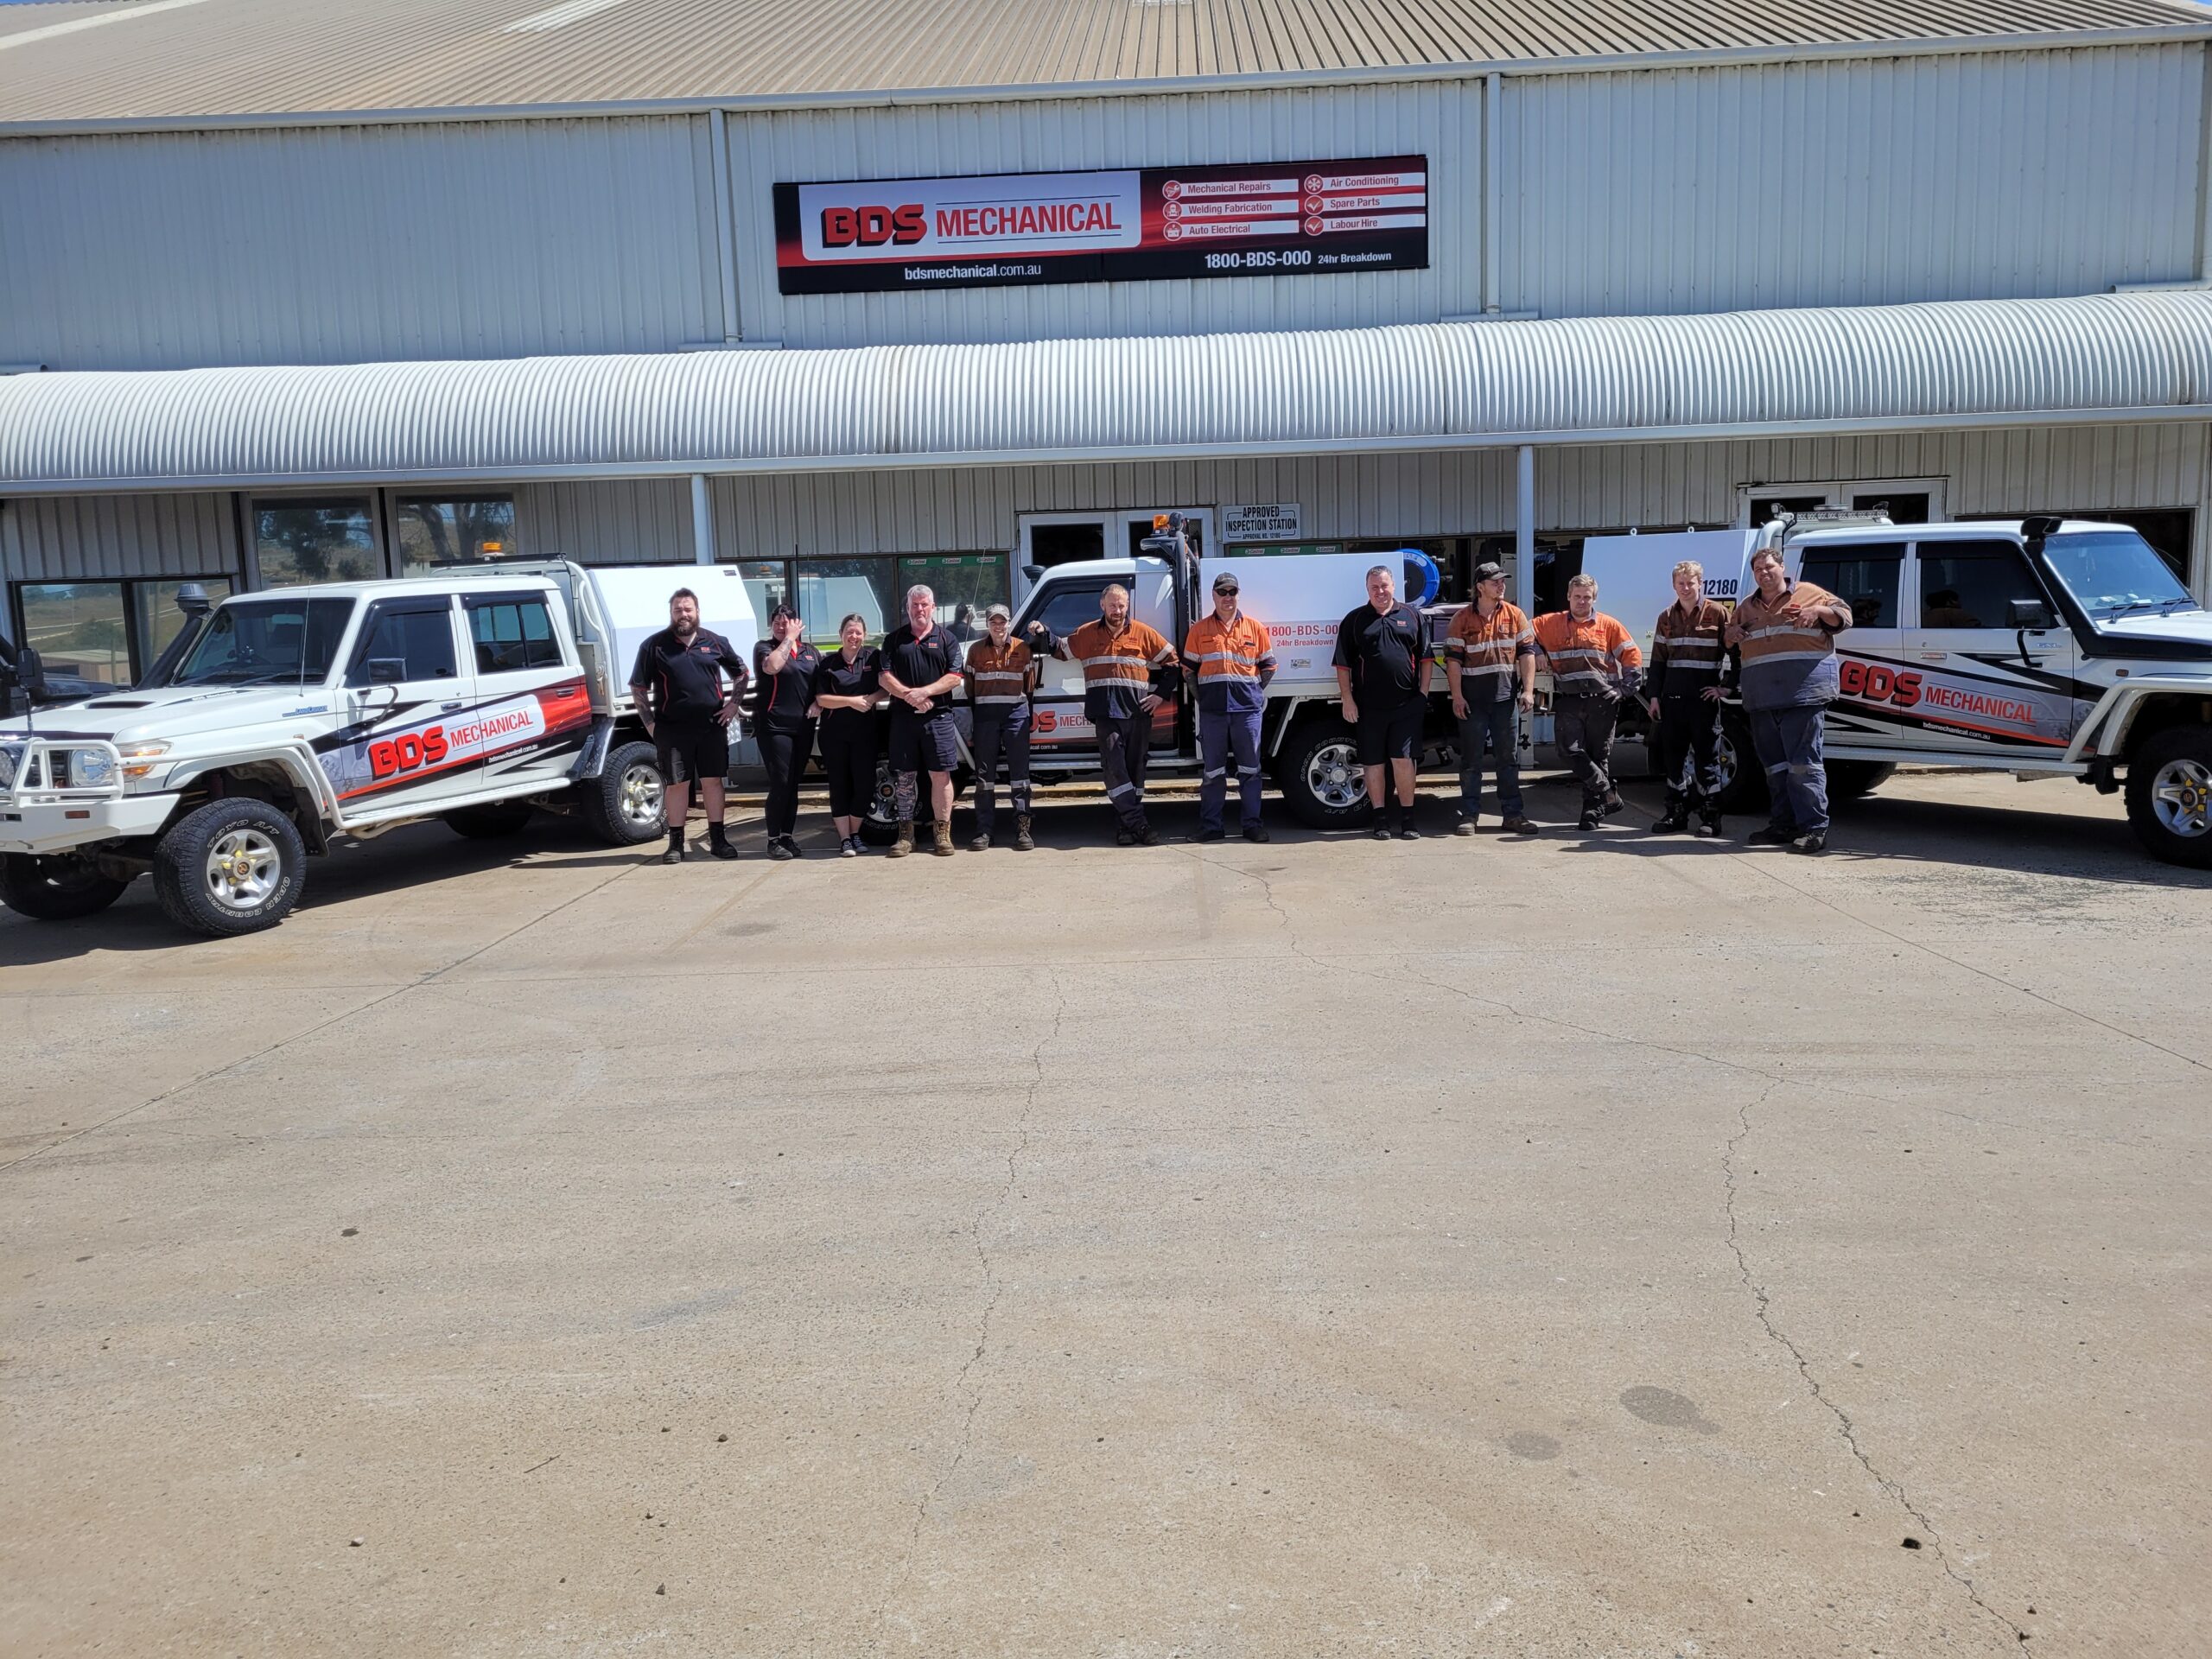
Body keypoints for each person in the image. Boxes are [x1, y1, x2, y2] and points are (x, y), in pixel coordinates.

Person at [1728, 546, 1853, 854]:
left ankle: (1814, 829)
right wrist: (1730, 633)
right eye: (1758, 569)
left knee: (1804, 765)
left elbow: (1846, 616)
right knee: (1775, 767)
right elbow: (1731, 639)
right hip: (1762, 699)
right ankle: (1782, 824)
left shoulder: (1811, 593)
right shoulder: (1746, 607)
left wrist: (1818, 612)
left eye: (1769, 567)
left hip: (1803, 695)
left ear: (1782, 567)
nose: (1764, 573)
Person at [1032, 583, 1179, 846]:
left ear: (1128, 605)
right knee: (1115, 770)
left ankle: (1125, 827)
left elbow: (1173, 663)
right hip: (1105, 713)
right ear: (1102, 605)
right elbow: (1060, 649)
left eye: (1122, 605)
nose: (1117, 610)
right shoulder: (1088, 633)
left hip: (1137, 713)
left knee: (1136, 773)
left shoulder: (1143, 633)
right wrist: (1043, 632)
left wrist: (1160, 695)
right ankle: (1140, 825)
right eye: (1112, 605)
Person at [627, 587, 747, 864]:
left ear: (697, 612)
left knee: (713, 782)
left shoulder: (716, 642)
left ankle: (718, 839)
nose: (683, 614)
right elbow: (638, 687)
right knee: (677, 785)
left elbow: (741, 673)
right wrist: (651, 726)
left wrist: (733, 705)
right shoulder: (654, 645)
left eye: (687, 609)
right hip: (672, 730)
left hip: (711, 727)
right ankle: (676, 844)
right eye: (678, 610)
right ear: (671, 613)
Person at [1532, 574, 1643, 831]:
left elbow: (1632, 654)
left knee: (1598, 755)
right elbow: (1522, 632)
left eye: (1587, 597)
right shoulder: (1550, 623)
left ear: (1594, 599)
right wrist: (1535, 651)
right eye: (1577, 596)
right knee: (1568, 750)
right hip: (1569, 699)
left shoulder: (1609, 625)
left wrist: (1625, 689)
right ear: (1568, 596)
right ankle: (1608, 793)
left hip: (1603, 700)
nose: (1582, 602)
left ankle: (1591, 812)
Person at [1333, 563, 1432, 840]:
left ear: (1394, 586)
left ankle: (1408, 820)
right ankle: (1380, 820)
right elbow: (1342, 665)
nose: (1380, 591)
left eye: (1384, 586)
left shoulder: (1413, 616)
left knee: (1403, 761)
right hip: (1368, 707)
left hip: (1406, 706)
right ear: (1367, 589)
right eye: (1374, 587)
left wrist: (1423, 694)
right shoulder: (1355, 620)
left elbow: (1426, 659)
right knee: (1373, 763)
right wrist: (1348, 700)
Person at [1446, 560, 1538, 836]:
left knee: (1507, 759)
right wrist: (1458, 697)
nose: (1501, 585)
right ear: (1480, 587)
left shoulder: (1515, 615)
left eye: (1502, 580)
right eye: (1495, 581)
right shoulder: (1461, 619)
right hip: (1473, 702)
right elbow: (1453, 661)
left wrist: (1529, 690)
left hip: (1505, 699)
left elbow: (1527, 654)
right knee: (1472, 761)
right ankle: (1470, 815)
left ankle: (1513, 814)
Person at [1183, 570, 1275, 842]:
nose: (1227, 597)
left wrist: (1253, 692)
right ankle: (1212, 827)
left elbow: (1269, 666)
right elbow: (1188, 670)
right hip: (1213, 713)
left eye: (1232, 592)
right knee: (1213, 772)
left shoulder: (1255, 628)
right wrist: (1204, 699)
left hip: (1247, 712)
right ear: (1213, 595)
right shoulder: (1199, 630)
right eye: (1222, 592)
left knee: (1250, 771)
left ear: (1238, 595)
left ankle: (1252, 826)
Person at [878, 583, 967, 857]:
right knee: (905, 778)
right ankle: (906, 836)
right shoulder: (894, 640)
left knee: (941, 776)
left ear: (933, 607)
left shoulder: (947, 639)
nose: (919, 609)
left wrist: (926, 692)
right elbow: (883, 676)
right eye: (914, 604)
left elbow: (955, 676)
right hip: (904, 719)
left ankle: (942, 833)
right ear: (907, 608)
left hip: (938, 717)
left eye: (924, 604)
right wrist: (910, 696)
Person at [1644, 560, 1731, 836]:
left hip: (1704, 700)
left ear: (1700, 583)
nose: (1685, 588)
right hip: (1673, 699)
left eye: (1690, 582)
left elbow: (1739, 653)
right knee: (1674, 759)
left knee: (1707, 759)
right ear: (1673, 585)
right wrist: (1654, 697)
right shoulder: (1666, 617)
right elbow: (1658, 661)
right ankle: (1676, 814)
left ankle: (1710, 817)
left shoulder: (1718, 613)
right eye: (1680, 583)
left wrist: (1727, 687)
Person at [964, 601, 1040, 851]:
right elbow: (969, 689)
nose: (998, 626)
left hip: (1016, 716)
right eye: (993, 622)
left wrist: (1023, 714)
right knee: (984, 778)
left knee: (1020, 775)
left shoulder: (1023, 648)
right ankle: (984, 831)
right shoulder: (975, 651)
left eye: (1003, 621)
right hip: (985, 717)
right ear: (987, 624)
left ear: (1009, 623)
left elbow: (1029, 687)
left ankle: (1023, 829)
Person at [751, 603, 821, 861]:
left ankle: (787, 836)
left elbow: (820, 683)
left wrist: (819, 702)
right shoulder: (764, 647)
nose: (781, 626)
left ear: (797, 622)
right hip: (773, 726)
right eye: (777, 623)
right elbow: (772, 667)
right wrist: (788, 639)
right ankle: (772, 840)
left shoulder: (811, 652)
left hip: (803, 727)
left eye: (787, 622)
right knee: (780, 781)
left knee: (793, 784)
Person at [810, 613, 880, 856]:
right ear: (841, 634)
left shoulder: (873, 656)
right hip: (834, 735)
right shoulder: (828, 664)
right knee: (839, 785)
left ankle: (855, 834)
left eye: (858, 632)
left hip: (865, 734)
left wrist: (871, 699)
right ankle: (844, 839)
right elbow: (822, 699)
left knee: (864, 785)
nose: (854, 636)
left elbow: (885, 686)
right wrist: (851, 702)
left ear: (865, 634)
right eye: (849, 631)